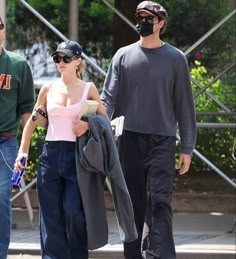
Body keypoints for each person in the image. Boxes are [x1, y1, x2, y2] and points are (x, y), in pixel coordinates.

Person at [101, 1, 197, 259]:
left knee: (160, 202)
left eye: (148, 17)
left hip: (162, 141)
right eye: (139, 16)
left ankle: (160, 256)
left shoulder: (176, 59)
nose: (142, 21)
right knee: (131, 204)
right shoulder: (122, 56)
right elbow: (107, 98)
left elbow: (184, 105)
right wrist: (96, 123)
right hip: (128, 140)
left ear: (161, 23)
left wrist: (187, 147)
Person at [14, 40, 107, 259]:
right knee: (50, 216)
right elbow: (33, 121)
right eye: (57, 58)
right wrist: (23, 151)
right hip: (51, 154)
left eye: (66, 58)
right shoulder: (48, 88)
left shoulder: (89, 88)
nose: (61, 62)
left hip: (77, 156)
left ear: (78, 61)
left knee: (74, 211)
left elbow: (105, 121)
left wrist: (87, 124)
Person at [0, 16, 35, 259]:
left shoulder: (18, 64)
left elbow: (26, 110)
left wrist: (26, 148)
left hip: (6, 141)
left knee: (2, 197)